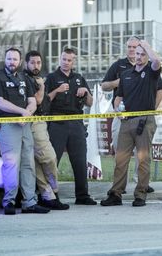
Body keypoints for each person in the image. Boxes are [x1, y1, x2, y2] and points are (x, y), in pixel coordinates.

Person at [0, 47, 50, 215]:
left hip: (24, 125)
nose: (11, 62)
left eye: (15, 59)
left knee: (28, 164)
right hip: (7, 125)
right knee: (12, 164)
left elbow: (32, 101)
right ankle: (9, 201)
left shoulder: (23, 78)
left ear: (20, 61)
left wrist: (28, 112)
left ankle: (29, 202)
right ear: (4, 59)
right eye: (9, 59)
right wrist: (21, 112)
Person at [100, 40, 161, 207]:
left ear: (147, 55)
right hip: (126, 121)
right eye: (137, 54)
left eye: (142, 54)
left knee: (142, 159)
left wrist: (146, 45)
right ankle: (116, 194)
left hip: (145, 120)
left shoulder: (151, 72)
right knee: (121, 159)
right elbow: (119, 96)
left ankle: (140, 194)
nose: (139, 56)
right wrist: (117, 109)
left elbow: (157, 62)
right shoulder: (126, 74)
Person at [45, 47, 96, 205]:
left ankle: (82, 196)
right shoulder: (52, 78)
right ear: (59, 59)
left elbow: (90, 102)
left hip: (76, 123)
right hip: (57, 123)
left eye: (69, 60)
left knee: (80, 160)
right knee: (53, 161)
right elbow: (45, 101)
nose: (66, 62)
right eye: (63, 59)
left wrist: (86, 92)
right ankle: (51, 195)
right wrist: (57, 90)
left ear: (74, 61)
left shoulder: (79, 78)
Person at [24, 50, 70, 210]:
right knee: (49, 157)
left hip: (41, 121)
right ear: (26, 63)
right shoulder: (26, 79)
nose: (36, 66)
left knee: (38, 162)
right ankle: (54, 193)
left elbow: (45, 100)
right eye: (32, 63)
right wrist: (42, 86)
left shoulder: (37, 78)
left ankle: (47, 196)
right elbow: (37, 100)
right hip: (33, 122)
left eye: (38, 62)